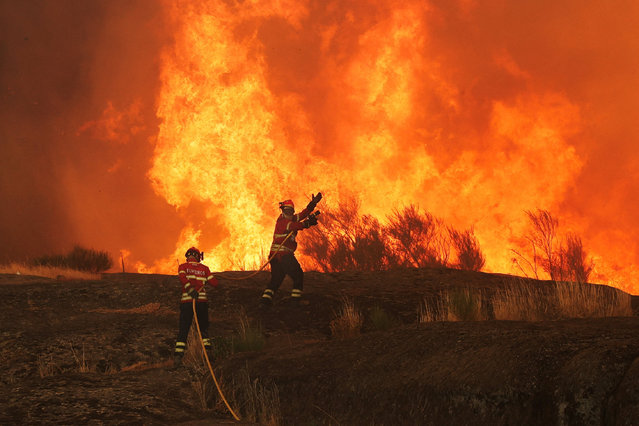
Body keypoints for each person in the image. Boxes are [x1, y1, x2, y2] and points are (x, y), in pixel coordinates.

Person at [260, 193, 322, 306]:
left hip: (276, 257)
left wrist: (313, 204)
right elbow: (293, 226)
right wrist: (306, 223)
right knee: (298, 275)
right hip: (283, 256)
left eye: (291, 212)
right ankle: (295, 301)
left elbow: (303, 214)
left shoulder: (291, 219)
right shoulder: (282, 222)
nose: (289, 214)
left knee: (276, 280)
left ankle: (265, 301)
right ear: (282, 211)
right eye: (287, 211)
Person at [174, 246, 218, 365]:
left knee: (184, 329)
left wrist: (190, 290)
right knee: (203, 329)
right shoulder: (204, 268)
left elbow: (183, 279)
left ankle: (178, 357)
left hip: (187, 303)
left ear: (188, 256)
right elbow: (214, 283)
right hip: (202, 303)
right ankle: (208, 355)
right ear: (198, 256)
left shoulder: (182, 267)